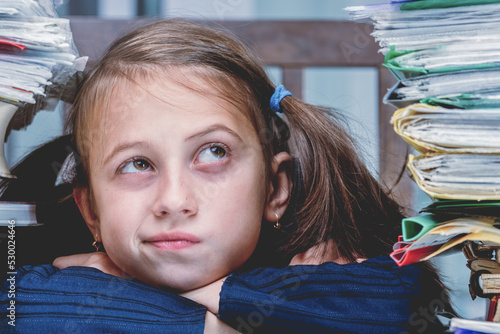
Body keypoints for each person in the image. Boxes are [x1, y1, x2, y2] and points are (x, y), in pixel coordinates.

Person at [1, 19, 454, 333]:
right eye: (138, 164)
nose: (174, 200)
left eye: (213, 153)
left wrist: (212, 298)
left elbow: (405, 307)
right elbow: (14, 310)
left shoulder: (321, 264)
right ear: (92, 212)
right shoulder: (51, 276)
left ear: (275, 190)